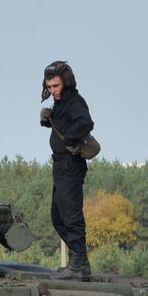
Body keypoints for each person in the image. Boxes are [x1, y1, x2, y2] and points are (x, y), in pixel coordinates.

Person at [40, 61, 94, 279]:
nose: (52, 91)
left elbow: (85, 123)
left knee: (71, 214)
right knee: (58, 216)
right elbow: (62, 122)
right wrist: (47, 119)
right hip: (60, 165)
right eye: (49, 86)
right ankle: (80, 261)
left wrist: (70, 140)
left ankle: (77, 263)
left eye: (56, 86)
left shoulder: (75, 102)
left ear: (66, 83)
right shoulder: (61, 103)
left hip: (71, 165)